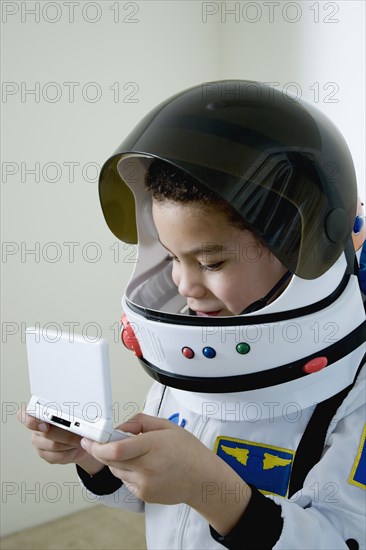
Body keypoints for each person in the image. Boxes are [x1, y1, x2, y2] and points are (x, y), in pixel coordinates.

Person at [19, 81, 366, 549]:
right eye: (171, 257)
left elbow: (342, 539)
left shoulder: (353, 391)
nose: (184, 286)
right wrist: (96, 456)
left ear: (303, 247)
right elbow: (160, 498)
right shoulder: (194, 357)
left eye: (210, 263)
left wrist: (213, 489)